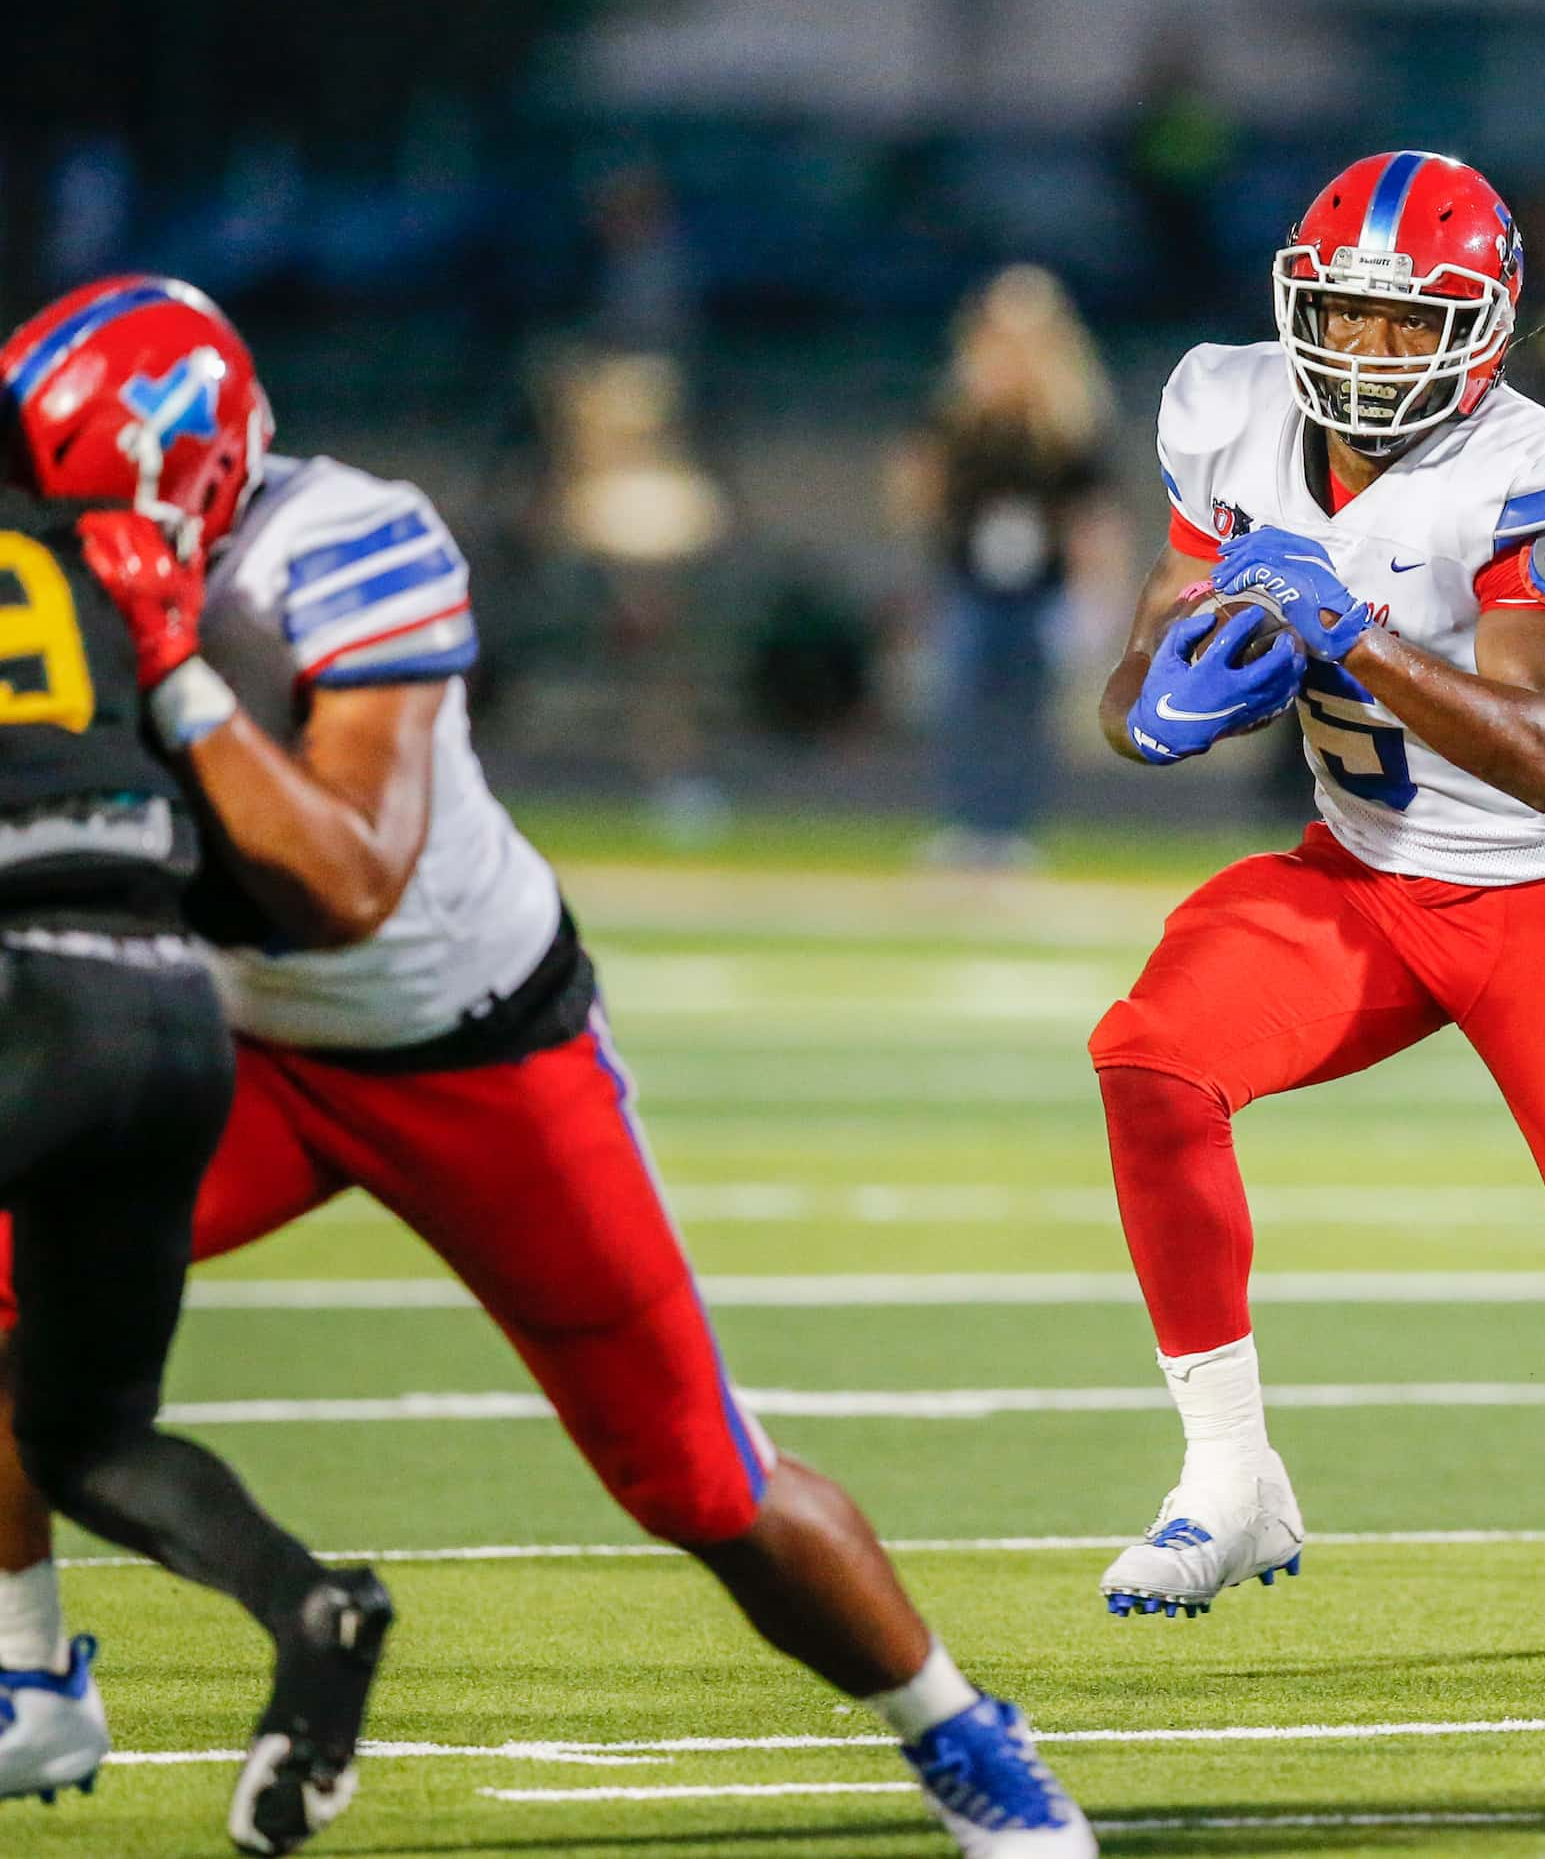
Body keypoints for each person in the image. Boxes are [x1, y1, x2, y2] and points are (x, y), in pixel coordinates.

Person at [0, 277, 1094, 1859]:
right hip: (231, 1040)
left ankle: (958, 1728)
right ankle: (28, 1671)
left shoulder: (346, 542)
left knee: (700, 1482)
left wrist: (171, 663)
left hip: (471, 1048)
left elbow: (349, 879)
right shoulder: (56, 566)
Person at [1087, 151, 1545, 1621]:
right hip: (1359, 881)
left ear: (1483, 327)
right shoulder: (1224, 405)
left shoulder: (1537, 467)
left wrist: (1348, 635)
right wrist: (1149, 710)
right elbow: (1154, 640)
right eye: (1346, 315)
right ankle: (1228, 1478)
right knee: (1151, 1055)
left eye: (1402, 320)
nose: (1366, 352)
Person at [0, 353, 389, 1846]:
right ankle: (307, 1602)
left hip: (25, 989)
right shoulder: (115, 569)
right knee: (83, 1434)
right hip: (171, 1011)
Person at [900, 266, 1119, 867]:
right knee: (964, 708)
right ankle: (964, 827)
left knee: (1026, 714)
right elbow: (920, 490)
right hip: (970, 583)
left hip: (1040, 589)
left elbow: (1090, 514)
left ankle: (1011, 831)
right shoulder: (959, 410)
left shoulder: (1069, 420)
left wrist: (1095, 598)